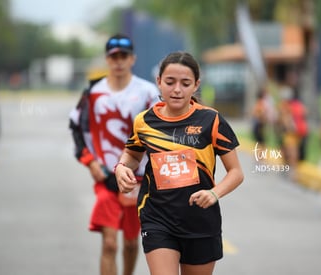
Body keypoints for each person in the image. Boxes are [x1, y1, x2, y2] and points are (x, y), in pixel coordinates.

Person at [115, 51, 244, 275]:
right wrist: (121, 168)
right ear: (159, 82)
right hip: (157, 218)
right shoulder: (144, 121)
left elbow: (236, 172)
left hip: (200, 221)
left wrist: (214, 194)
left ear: (196, 85)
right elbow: (132, 154)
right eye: (170, 82)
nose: (177, 89)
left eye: (185, 83)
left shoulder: (211, 120)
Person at [69, 33, 160, 275]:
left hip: (137, 180)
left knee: (131, 243)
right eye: (114, 57)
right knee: (109, 243)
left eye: (124, 56)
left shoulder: (149, 92)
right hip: (107, 177)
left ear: (133, 59)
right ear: (107, 60)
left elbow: (160, 132)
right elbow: (76, 128)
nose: (119, 62)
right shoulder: (93, 93)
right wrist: (90, 163)